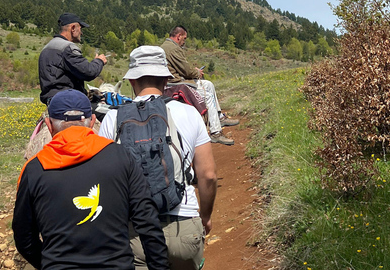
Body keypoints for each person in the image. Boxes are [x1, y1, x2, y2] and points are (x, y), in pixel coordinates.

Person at [13, 89, 170, 270]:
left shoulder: (33, 169)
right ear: (92, 121)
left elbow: (24, 238)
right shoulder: (121, 157)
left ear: (48, 125)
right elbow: (148, 223)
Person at [99, 46, 217, 270]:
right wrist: (205, 217)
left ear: (132, 82)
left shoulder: (112, 119)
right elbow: (208, 176)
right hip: (183, 226)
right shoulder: (189, 112)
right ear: (166, 80)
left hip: (136, 233)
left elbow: (105, 181)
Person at [160, 26, 238, 145]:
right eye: (184, 38)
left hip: (172, 81)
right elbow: (186, 70)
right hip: (176, 83)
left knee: (209, 85)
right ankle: (215, 132)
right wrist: (197, 73)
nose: (184, 41)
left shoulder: (164, 47)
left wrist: (193, 71)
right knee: (207, 94)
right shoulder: (173, 49)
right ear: (179, 36)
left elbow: (181, 67)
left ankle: (219, 117)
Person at [38, 12, 107, 104]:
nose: (81, 33)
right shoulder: (67, 48)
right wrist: (99, 61)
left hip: (51, 101)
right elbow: (88, 72)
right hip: (68, 101)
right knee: (106, 114)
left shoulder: (46, 48)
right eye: (80, 28)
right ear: (73, 28)